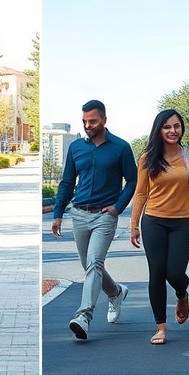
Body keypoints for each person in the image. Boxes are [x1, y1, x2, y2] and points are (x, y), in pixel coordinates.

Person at [52, 100, 137, 341]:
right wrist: (58, 213)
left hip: (104, 216)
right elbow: (67, 182)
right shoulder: (76, 147)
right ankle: (116, 292)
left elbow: (132, 180)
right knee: (90, 265)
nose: (88, 126)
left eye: (93, 121)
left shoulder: (121, 147)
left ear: (104, 120)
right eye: (84, 121)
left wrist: (118, 208)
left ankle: (83, 316)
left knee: (94, 262)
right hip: (79, 214)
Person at [130, 109, 189, 345]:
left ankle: (181, 294)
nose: (172, 131)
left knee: (175, 273)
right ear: (158, 130)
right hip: (153, 221)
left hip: (183, 223)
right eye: (167, 127)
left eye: (176, 126)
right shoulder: (147, 158)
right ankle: (161, 327)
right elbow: (141, 193)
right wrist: (134, 224)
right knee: (157, 273)